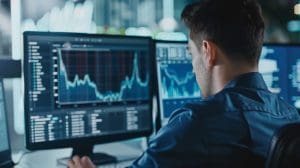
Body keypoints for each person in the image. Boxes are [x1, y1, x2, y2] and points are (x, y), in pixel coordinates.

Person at [68, 0, 300, 167]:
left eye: (191, 53)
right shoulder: (292, 118)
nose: (192, 66)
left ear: (208, 51)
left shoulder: (195, 124)